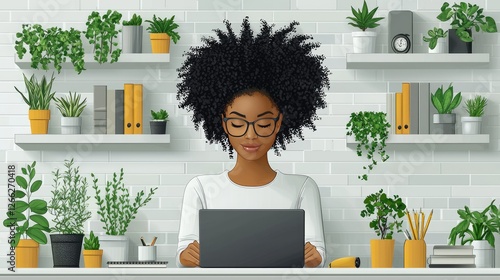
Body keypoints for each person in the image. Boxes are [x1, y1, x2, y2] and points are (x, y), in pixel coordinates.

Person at [175, 17, 330, 268]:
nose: (250, 135)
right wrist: (187, 255)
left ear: (279, 123)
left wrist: (315, 256)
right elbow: (185, 251)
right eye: (238, 124)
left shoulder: (302, 188)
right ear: (223, 124)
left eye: (263, 123)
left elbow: (318, 254)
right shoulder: (200, 188)